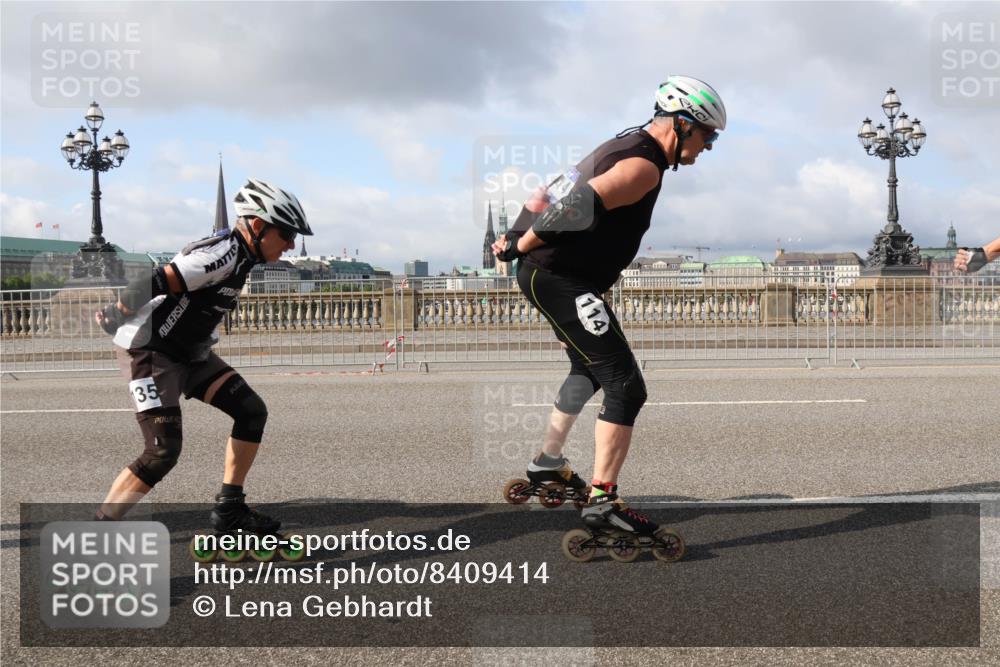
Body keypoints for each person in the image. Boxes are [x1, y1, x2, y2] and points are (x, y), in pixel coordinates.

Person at [494, 76, 725, 541]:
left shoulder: (622, 143)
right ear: (682, 125)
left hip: (550, 273)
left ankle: (547, 464)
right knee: (626, 386)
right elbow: (575, 204)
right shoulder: (644, 166)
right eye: (708, 136)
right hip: (559, 276)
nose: (708, 147)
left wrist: (516, 236)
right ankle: (604, 501)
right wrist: (523, 244)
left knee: (590, 368)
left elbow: (550, 190)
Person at [93, 178, 313, 537]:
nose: (290, 244)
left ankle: (230, 510)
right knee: (161, 452)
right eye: (287, 234)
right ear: (258, 227)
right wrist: (116, 311)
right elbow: (159, 279)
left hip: (189, 354)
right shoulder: (222, 254)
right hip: (150, 351)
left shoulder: (244, 256)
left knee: (251, 411)